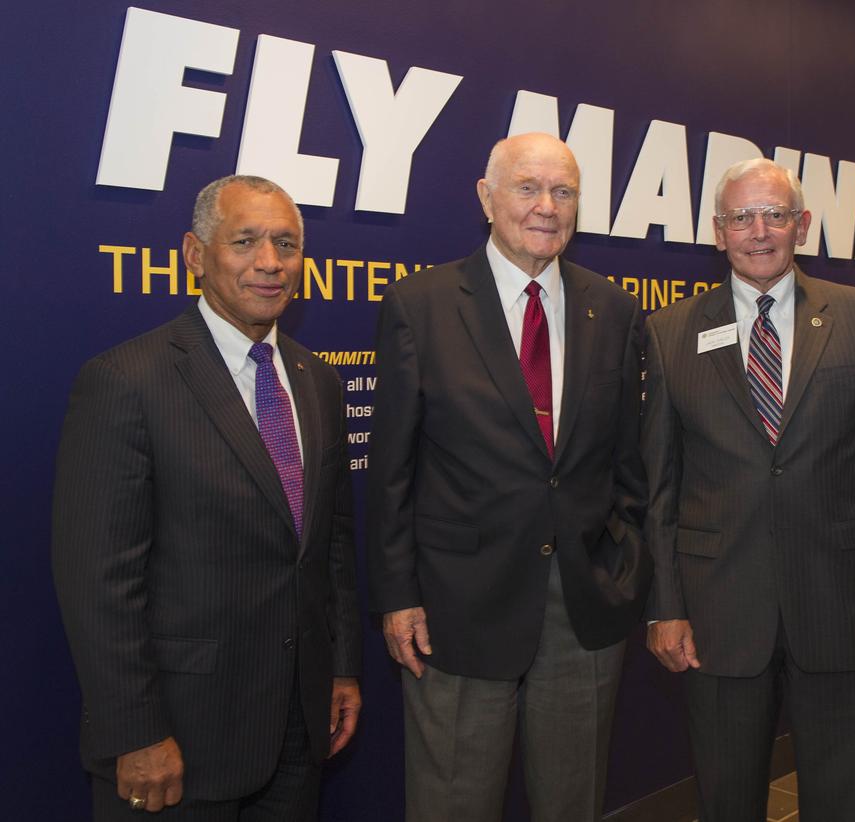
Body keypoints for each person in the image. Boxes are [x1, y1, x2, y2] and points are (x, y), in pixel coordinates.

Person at [51, 175, 362, 819]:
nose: (270, 263)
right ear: (195, 255)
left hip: (297, 734)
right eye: (245, 241)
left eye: (286, 243)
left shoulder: (318, 381)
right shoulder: (126, 382)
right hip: (179, 742)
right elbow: (98, 582)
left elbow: (329, 547)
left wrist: (339, 670)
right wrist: (135, 733)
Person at [366, 132, 649, 822]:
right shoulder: (422, 305)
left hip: (582, 609)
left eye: (563, 192)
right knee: (452, 804)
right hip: (457, 609)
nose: (546, 207)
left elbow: (632, 463)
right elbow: (392, 469)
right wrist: (398, 594)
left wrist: (623, 565)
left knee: (572, 803)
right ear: (486, 198)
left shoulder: (613, 310)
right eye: (527, 188)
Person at [642, 158, 855, 821]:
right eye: (741, 217)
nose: (759, 230)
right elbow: (659, 486)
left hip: (840, 609)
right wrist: (664, 606)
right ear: (718, 232)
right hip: (717, 618)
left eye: (774, 214)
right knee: (726, 799)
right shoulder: (669, 331)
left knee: (846, 798)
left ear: (801, 224)